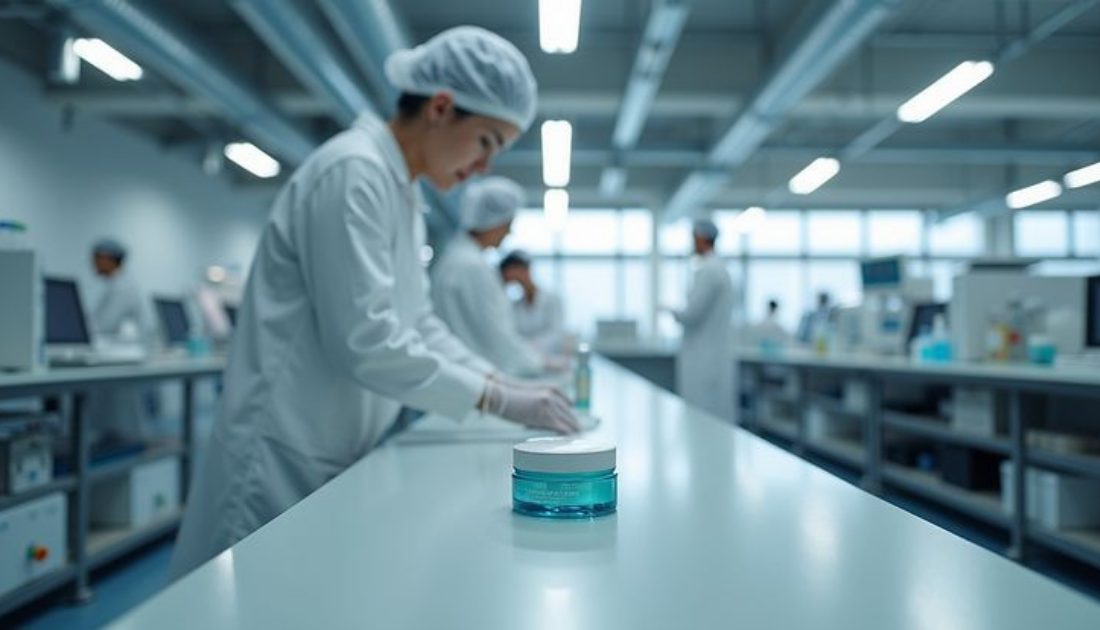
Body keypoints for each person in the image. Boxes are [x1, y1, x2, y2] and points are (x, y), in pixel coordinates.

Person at [170, 27, 578, 581]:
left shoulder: (400, 191)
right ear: (441, 107)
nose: (484, 168)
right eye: (486, 142)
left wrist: (505, 385)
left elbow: (420, 323)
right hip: (278, 455)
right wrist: (493, 396)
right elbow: (367, 340)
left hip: (329, 446)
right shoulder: (353, 173)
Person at [432, 178, 558, 376]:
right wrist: (539, 364)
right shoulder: (472, 267)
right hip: (474, 377)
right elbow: (498, 336)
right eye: (508, 223)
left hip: (466, 374)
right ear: (494, 222)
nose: (509, 232)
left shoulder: (458, 258)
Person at [664, 219, 737, 420]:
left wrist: (669, 310)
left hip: (704, 359)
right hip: (711, 355)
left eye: (693, 239)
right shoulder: (718, 269)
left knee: (703, 417)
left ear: (702, 239)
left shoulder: (709, 271)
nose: (692, 244)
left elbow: (691, 314)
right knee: (710, 418)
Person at [499, 250, 566, 356]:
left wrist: (528, 347)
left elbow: (555, 334)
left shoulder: (552, 299)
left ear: (526, 269)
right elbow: (511, 334)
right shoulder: (515, 305)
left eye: (514, 269)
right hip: (525, 358)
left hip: (550, 359)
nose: (510, 275)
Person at [89, 238, 148, 344]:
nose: (92, 263)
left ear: (108, 259)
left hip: (122, 347)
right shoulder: (116, 284)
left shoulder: (122, 288)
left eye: (96, 258)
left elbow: (105, 325)